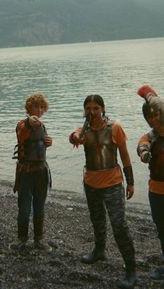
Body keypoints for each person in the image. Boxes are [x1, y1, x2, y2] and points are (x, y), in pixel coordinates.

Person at [69, 94, 136, 289]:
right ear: (84, 111)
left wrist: (130, 183)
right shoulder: (83, 130)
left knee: (119, 226)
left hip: (113, 183)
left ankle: (131, 269)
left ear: (103, 109)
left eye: (95, 108)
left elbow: (124, 156)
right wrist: (75, 137)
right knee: (97, 220)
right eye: (88, 108)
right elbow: (75, 137)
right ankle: (99, 250)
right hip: (91, 183)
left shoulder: (114, 128)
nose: (92, 112)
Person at [12, 92, 52, 252]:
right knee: (24, 207)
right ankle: (21, 239)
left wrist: (48, 142)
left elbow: (40, 144)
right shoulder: (22, 124)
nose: (39, 110)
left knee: (39, 206)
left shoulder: (42, 126)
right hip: (25, 172)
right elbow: (23, 131)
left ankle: (39, 239)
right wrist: (29, 122)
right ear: (29, 108)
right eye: (36, 106)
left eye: (42, 107)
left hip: (41, 171)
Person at [137, 85, 164, 281]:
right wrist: (144, 154)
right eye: (149, 117)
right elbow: (142, 147)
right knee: (162, 229)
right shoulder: (149, 137)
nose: (153, 119)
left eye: (156, 114)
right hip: (156, 191)